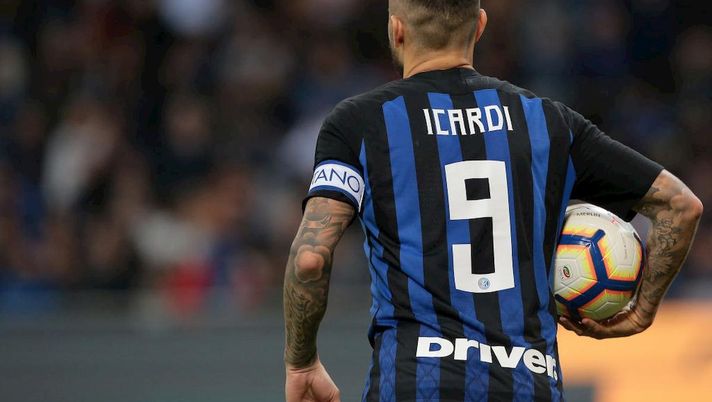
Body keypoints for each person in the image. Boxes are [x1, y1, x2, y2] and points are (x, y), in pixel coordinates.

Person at [282, 1, 704, 401]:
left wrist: (302, 362)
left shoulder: (359, 123)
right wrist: (642, 309)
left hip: (414, 383)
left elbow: (310, 259)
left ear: (396, 30)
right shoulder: (548, 122)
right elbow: (680, 206)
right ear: (480, 26)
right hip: (528, 384)